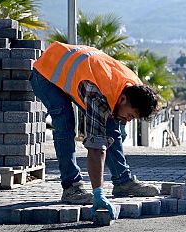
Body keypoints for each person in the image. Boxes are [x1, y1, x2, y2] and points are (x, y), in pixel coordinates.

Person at [29, 41, 161, 217]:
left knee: (112, 127)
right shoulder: (97, 95)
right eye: (130, 115)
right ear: (123, 100)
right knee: (65, 124)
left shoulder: (134, 88)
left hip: (82, 70)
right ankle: (71, 187)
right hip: (46, 73)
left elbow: (112, 132)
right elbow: (96, 147)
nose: (128, 121)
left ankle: (123, 182)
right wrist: (98, 193)